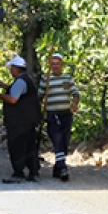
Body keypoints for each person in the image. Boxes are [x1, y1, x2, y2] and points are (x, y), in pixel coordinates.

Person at [0, 56, 41, 184]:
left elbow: (13, 99)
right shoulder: (25, 80)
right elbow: (16, 91)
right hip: (28, 120)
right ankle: (33, 172)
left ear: (16, 68)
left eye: (11, 68)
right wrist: (2, 85)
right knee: (29, 146)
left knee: (17, 146)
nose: (10, 70)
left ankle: (18, 173)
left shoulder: (20, 81)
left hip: (19, 122)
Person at [38, 53, 80, 181]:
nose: (55, 66)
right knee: (57, 139)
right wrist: (39, 114)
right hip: (52, 114)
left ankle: (57, 168)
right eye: (53, 64)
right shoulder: (46, 79)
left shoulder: (67, 78)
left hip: (66, 114)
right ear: (49, 65)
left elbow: (75, 93)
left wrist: (75, 103)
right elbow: (39, 97)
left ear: (62, 65)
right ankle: (62, 168)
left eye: (57, 63)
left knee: (65, 141)